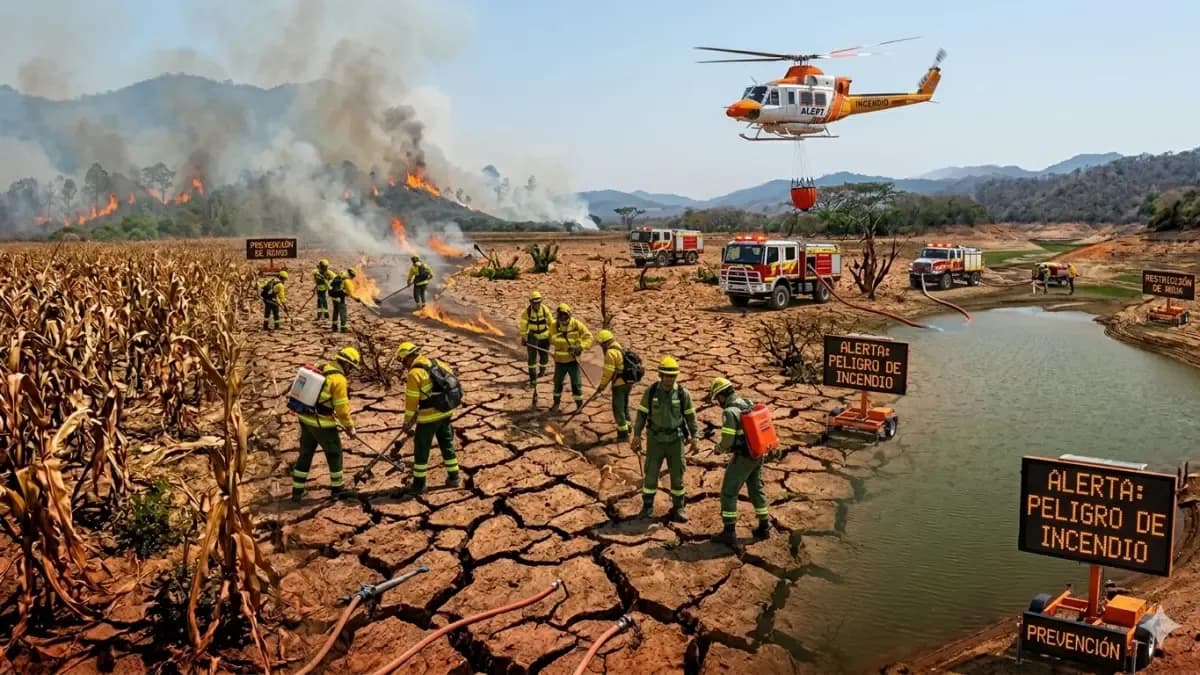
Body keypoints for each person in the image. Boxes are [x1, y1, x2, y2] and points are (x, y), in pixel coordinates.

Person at [631, 356, 699, 522]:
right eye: (667, 375)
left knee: (677, 476)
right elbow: (641, 414)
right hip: (655, 440)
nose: (670, 379)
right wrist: (637, 435)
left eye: (673, 376)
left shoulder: (683, 394)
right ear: (660, 375)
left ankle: (678, 508)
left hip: (676, 441)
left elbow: (690, 417)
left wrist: (695, 436)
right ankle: (647, 507)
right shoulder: (652, 391)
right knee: (651, 475)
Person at [292, 346, 361, 502]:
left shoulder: (322, 367)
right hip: (322, 423)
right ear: (347, 364)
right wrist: (350, 428)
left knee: (305, 453)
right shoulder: (339, 380)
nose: (351, 371)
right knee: (334, 453)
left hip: (305, 418)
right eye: (352, 367)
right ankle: (338, 489)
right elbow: (342, 410)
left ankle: (297, 491)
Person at [707, 377, 771, 546]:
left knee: (728, 491)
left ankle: (729, 533)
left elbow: (727, 440)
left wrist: (718, 449)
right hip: (758, 453)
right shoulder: (746, 402)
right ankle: (765, 525)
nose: (718, 402)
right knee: (756, 488)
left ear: (721, 395)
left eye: (717, 398)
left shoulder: (729, 412)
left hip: (744, 457)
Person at [394, 341, 460, 495]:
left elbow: (411, 402)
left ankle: (419, 484)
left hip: (428, 418)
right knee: (447, 444)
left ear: (409, 357)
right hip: (446, 412)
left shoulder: (414, 374)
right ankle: (454, 477)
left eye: (404, 361)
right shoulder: (437, 363)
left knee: (421, 449)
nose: (404, 365)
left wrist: (407, 422)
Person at [548, 303, 593, 411]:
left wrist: (580, 347)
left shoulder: (576, 324)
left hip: (573, 361)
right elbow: (551, 339)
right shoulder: (554, 325)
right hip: (559, 361)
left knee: (576, 384)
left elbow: (589, 337)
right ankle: (556, 403)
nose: (562, 318)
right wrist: (564, 345)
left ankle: (579, 405)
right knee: (557, 383)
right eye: (560, 315)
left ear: (568, 315)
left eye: (564, 315)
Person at [594, 329, 630, 441]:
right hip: (628, 382)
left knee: (618, 408)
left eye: (601, 344)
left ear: (604, 342)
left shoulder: (610, 352)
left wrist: (601, 386)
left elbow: (608, 373)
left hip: (619, 384)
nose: (600, 346)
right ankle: (628, 426)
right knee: (624, 406)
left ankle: (623, 434)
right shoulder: (617, 345)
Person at [519, 290, 553, 388]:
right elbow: (523, 324)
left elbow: (551, 323)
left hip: (545, 336)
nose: (537, 304)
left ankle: (542, 372)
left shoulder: (545, 310)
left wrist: (552, 335)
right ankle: (533, 379)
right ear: (531, 302)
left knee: (544, 356)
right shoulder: (527, 312)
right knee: (532, 359)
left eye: (538, 302)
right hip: (533, 337)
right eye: (535, 302)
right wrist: (523, 337)